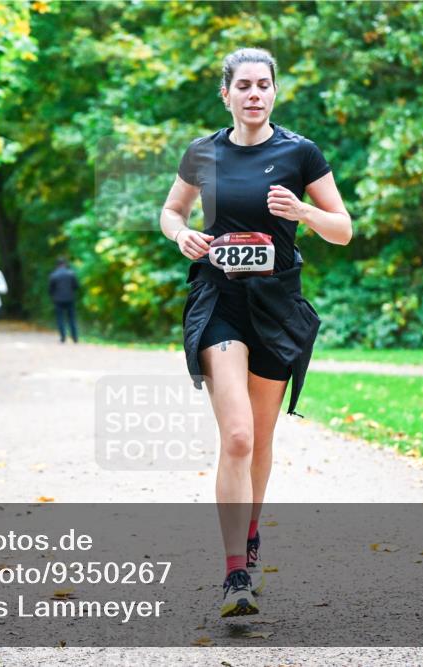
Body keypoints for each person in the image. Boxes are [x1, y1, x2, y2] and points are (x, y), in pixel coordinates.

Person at [160, 47, 351, 617]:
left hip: (277, 305)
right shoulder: (204, 152)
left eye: (263, 85)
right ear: (226, 94)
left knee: (262, 440)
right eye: (242, 85)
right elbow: (172, 211)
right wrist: (182, 235)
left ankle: (249, 535)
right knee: (238, 436)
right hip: (220, 300)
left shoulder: (300, 153)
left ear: (274, 92)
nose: (253, 94)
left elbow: (342, 229)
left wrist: (302, 213)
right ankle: (234, 574)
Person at [48, 257, 80, 343]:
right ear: (65, 264)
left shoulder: (53, 275)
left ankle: (63, 337)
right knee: (72, 318)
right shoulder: (71, 274)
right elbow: (76, 286)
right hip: (70, 299)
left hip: (58, 300)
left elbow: (50, 289)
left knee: (60, 319)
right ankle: (75, 337)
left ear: (57, 265)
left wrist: (54, 296)